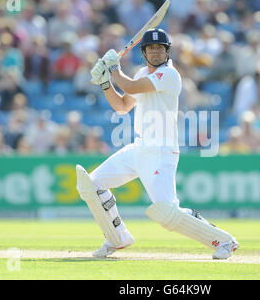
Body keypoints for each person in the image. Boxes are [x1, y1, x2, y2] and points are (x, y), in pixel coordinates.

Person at [76, 28, 238, 260]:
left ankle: (225, 241)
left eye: (160, 48)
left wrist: (113, 70)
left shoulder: (170, 75)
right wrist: (105, 83)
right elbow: (122, 106)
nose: (155, 52)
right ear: (144, 52)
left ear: (167, 52)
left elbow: (130, 87)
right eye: (151, 48)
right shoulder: (142, 72)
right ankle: (117, 238)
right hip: (139, 148)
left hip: (161, 151)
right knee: (91, 186)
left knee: (167, 213)